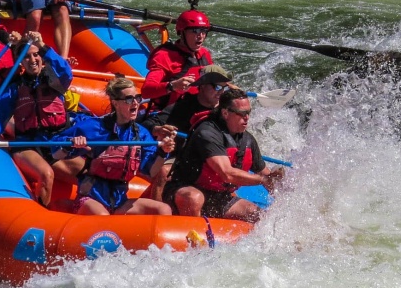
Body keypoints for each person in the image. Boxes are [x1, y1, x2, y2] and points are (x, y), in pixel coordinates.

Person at [0, 31, 75, 207]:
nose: (33, 60)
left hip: (55, 142)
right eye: (27, 57)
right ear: (20, 62)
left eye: (36, 55)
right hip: (28, 146)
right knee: (46, 174)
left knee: (91, 172)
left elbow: (66, 70)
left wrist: (43, 46)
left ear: (42, 58)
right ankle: (42, 216)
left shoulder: (56, 82)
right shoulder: (14, 88)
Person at [164, 86, 284, 222]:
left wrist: (280, 189)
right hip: (184, 190)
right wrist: (262, 180)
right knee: (194, 198)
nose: (247, 117)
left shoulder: (248, 140)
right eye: (241, 113)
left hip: (219, 197)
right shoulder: (207, 133)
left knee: (257, 214)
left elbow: (266, 175)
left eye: (248, 112)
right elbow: (227, 174)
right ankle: (192, 236)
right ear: (225, 113)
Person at [60, 76, 176, 216]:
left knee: (163, 210)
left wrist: (163, 152)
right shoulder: (93, 127)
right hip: (90, 199)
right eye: (129, 99)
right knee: (103, 217)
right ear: (115, 103)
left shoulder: (141, 134)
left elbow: (151, 171)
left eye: (137, 98)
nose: (135, 103)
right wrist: (72, 145)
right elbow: (56, 152)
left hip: (120, 202)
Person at [139, 64, 232, 201]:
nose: (221, 92)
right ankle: (158, 214)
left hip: (212, 156)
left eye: (225, 88)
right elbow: (147, 124)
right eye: (217, 87)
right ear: (203, 86)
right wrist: (157, 129)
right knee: (164, 172)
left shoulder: (225, 111)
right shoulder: (182, 107)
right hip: (182, 157)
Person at [142, 8, 214, 110]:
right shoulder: (164, 56)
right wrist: (173, 86)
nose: (201, 36)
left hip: (197, 107)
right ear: (182, 32)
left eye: (204, 31)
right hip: (170, 112)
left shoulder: (204, 53)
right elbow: (146, 91)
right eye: (195, 31)